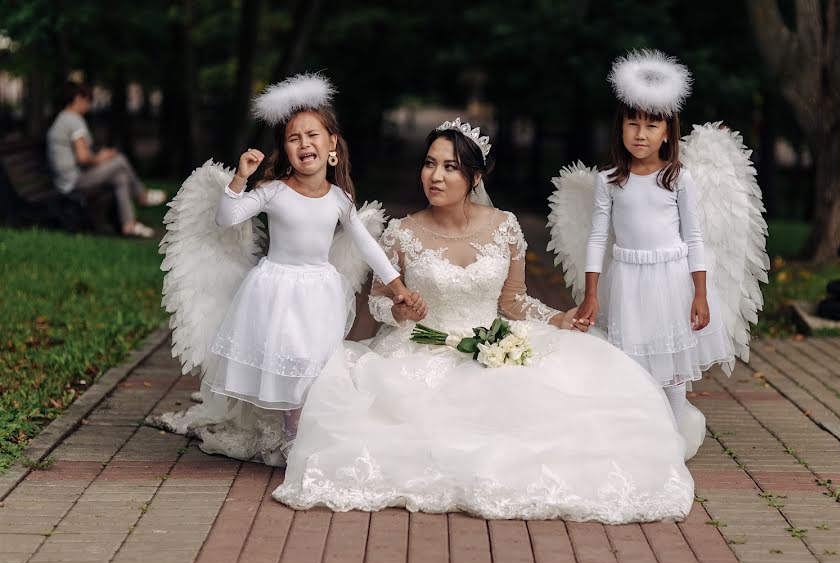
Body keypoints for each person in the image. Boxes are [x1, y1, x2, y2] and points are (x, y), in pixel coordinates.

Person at [269, 118, 699, 524]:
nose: (435, 177)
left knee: (559, 417)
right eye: (430, 164)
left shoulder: (505, 227)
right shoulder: (402, 232)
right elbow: (379, 303)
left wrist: (557, 318)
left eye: (450, 167)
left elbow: (513, 302)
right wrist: (399, 311)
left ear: (474, 178)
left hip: (492, 344)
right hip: (420, 349)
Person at [153, 73, 421, 460]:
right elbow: (227, 219)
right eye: (294, 138)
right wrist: (241, 177)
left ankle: (303, 429)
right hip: (277, 289)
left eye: (312, 135)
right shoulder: (274, 190)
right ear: (285, 149)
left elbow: (366, 244)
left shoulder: (340, 199)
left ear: (332, 145)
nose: (303, 144)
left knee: (313, 362)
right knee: (290, 359)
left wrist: (399, 287)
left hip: (321, 292)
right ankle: (292, 434)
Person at [572, 50, 735, 425]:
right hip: (628, 279)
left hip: (670, 280)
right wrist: (592, 292)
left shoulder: (678, 179)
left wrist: (700, 292)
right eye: (633, 123)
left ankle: (674, 437)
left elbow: (693, 238)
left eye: (651, 126)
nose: (640, 134)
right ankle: (642, 432)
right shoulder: (610, 180)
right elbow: (597, 238)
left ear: (667, 133)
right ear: (621, 128)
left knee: (672, 366)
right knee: (632, 360)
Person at [46, 81, 164, 237]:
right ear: (77, 98)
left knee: (120, 177)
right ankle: (142, 196)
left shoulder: (63, 118)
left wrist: (101, 156)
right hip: (72, 182)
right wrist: (102, 157)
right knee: (120, 160)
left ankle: (129, 224)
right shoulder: (73, 120)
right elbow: (83, 158)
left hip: (65, 180)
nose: (89, 104)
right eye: (87, 99)